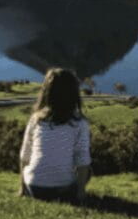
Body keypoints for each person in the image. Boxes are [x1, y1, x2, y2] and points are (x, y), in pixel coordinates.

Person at [20, 68, 92, 204]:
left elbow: (25, 155)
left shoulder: (36, 119)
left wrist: (22, 188)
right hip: (62, 190)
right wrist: (81, 193)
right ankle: (75, 191)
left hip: (34, 187)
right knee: (88, 171)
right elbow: (83, 159)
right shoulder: (79, 123)